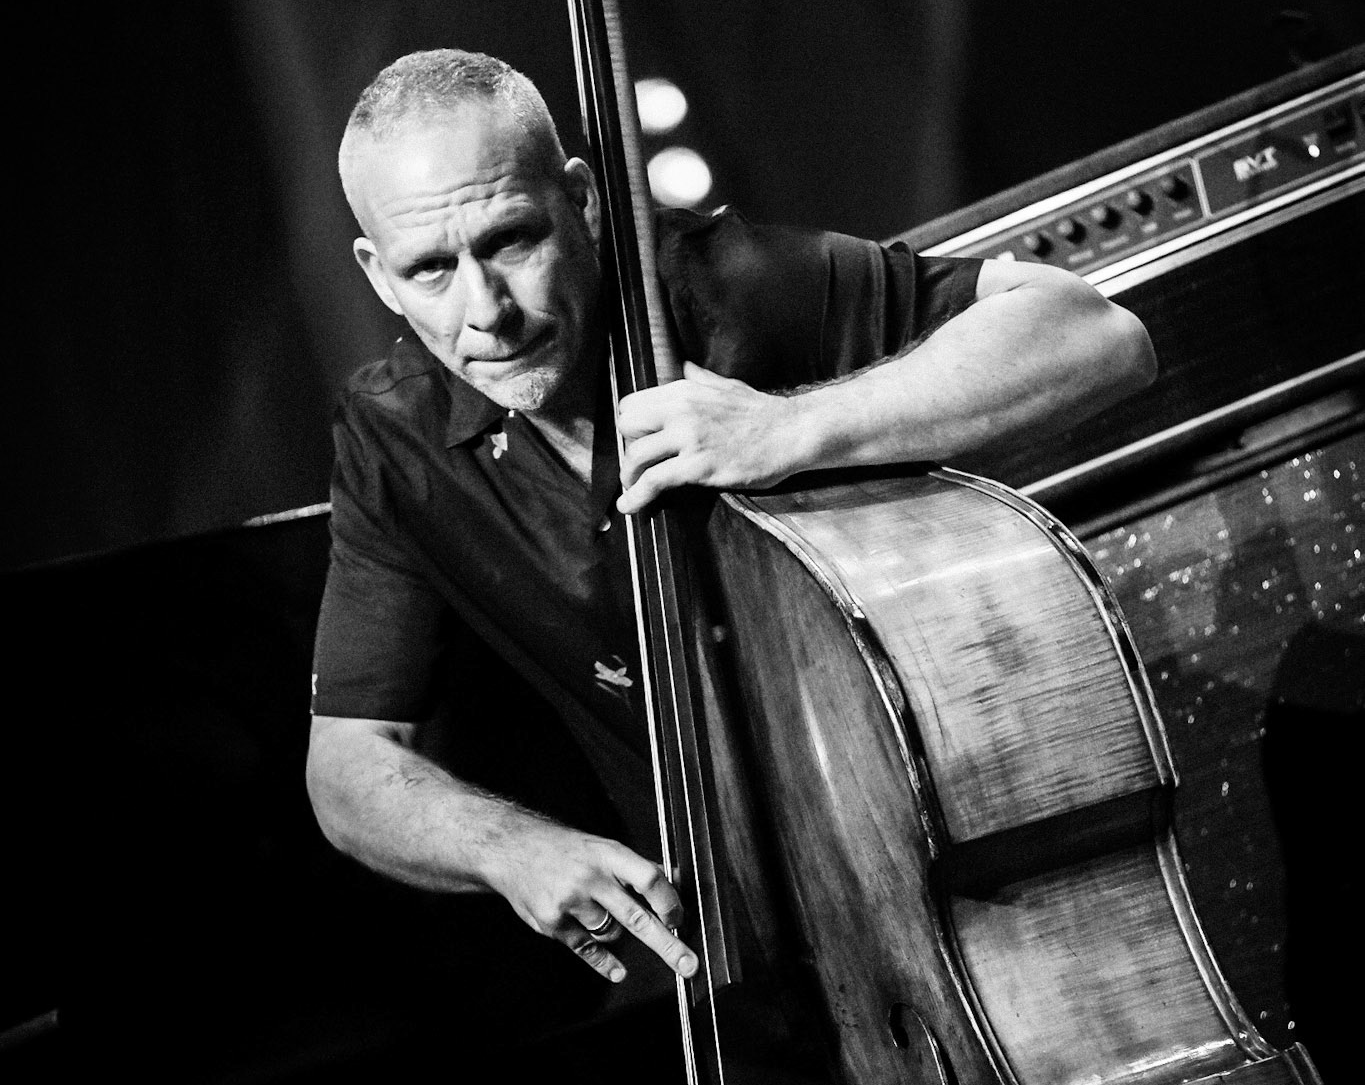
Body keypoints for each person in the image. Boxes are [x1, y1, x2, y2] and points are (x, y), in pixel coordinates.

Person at [306, 49, 1156, 992]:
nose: (487, 312)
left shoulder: (722, 287)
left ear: (582, 202)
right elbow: (347, 765)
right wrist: (511, 848)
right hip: (729, 972)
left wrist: (794, 425)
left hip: (978, 907)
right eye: (431, 269)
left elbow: (1095, 337)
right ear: (377, 275)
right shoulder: (396, 439)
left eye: (511, 240)